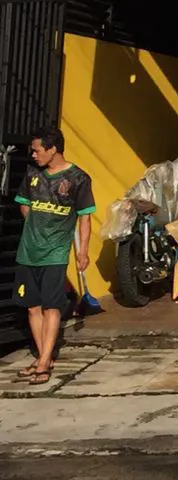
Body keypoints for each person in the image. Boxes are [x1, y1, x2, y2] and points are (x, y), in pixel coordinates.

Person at [13, 128, 94, 386]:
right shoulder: (32, 173)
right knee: (32, 307)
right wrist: (36, 227)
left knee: (51, 306)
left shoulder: (78, 178)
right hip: (28, 251)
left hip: (55, 254)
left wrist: (82, 251)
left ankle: (44, 361)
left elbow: (85, 218)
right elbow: (24, 203)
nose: (33, 155)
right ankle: (43, 358)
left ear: (53, 149)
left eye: (37, 150)